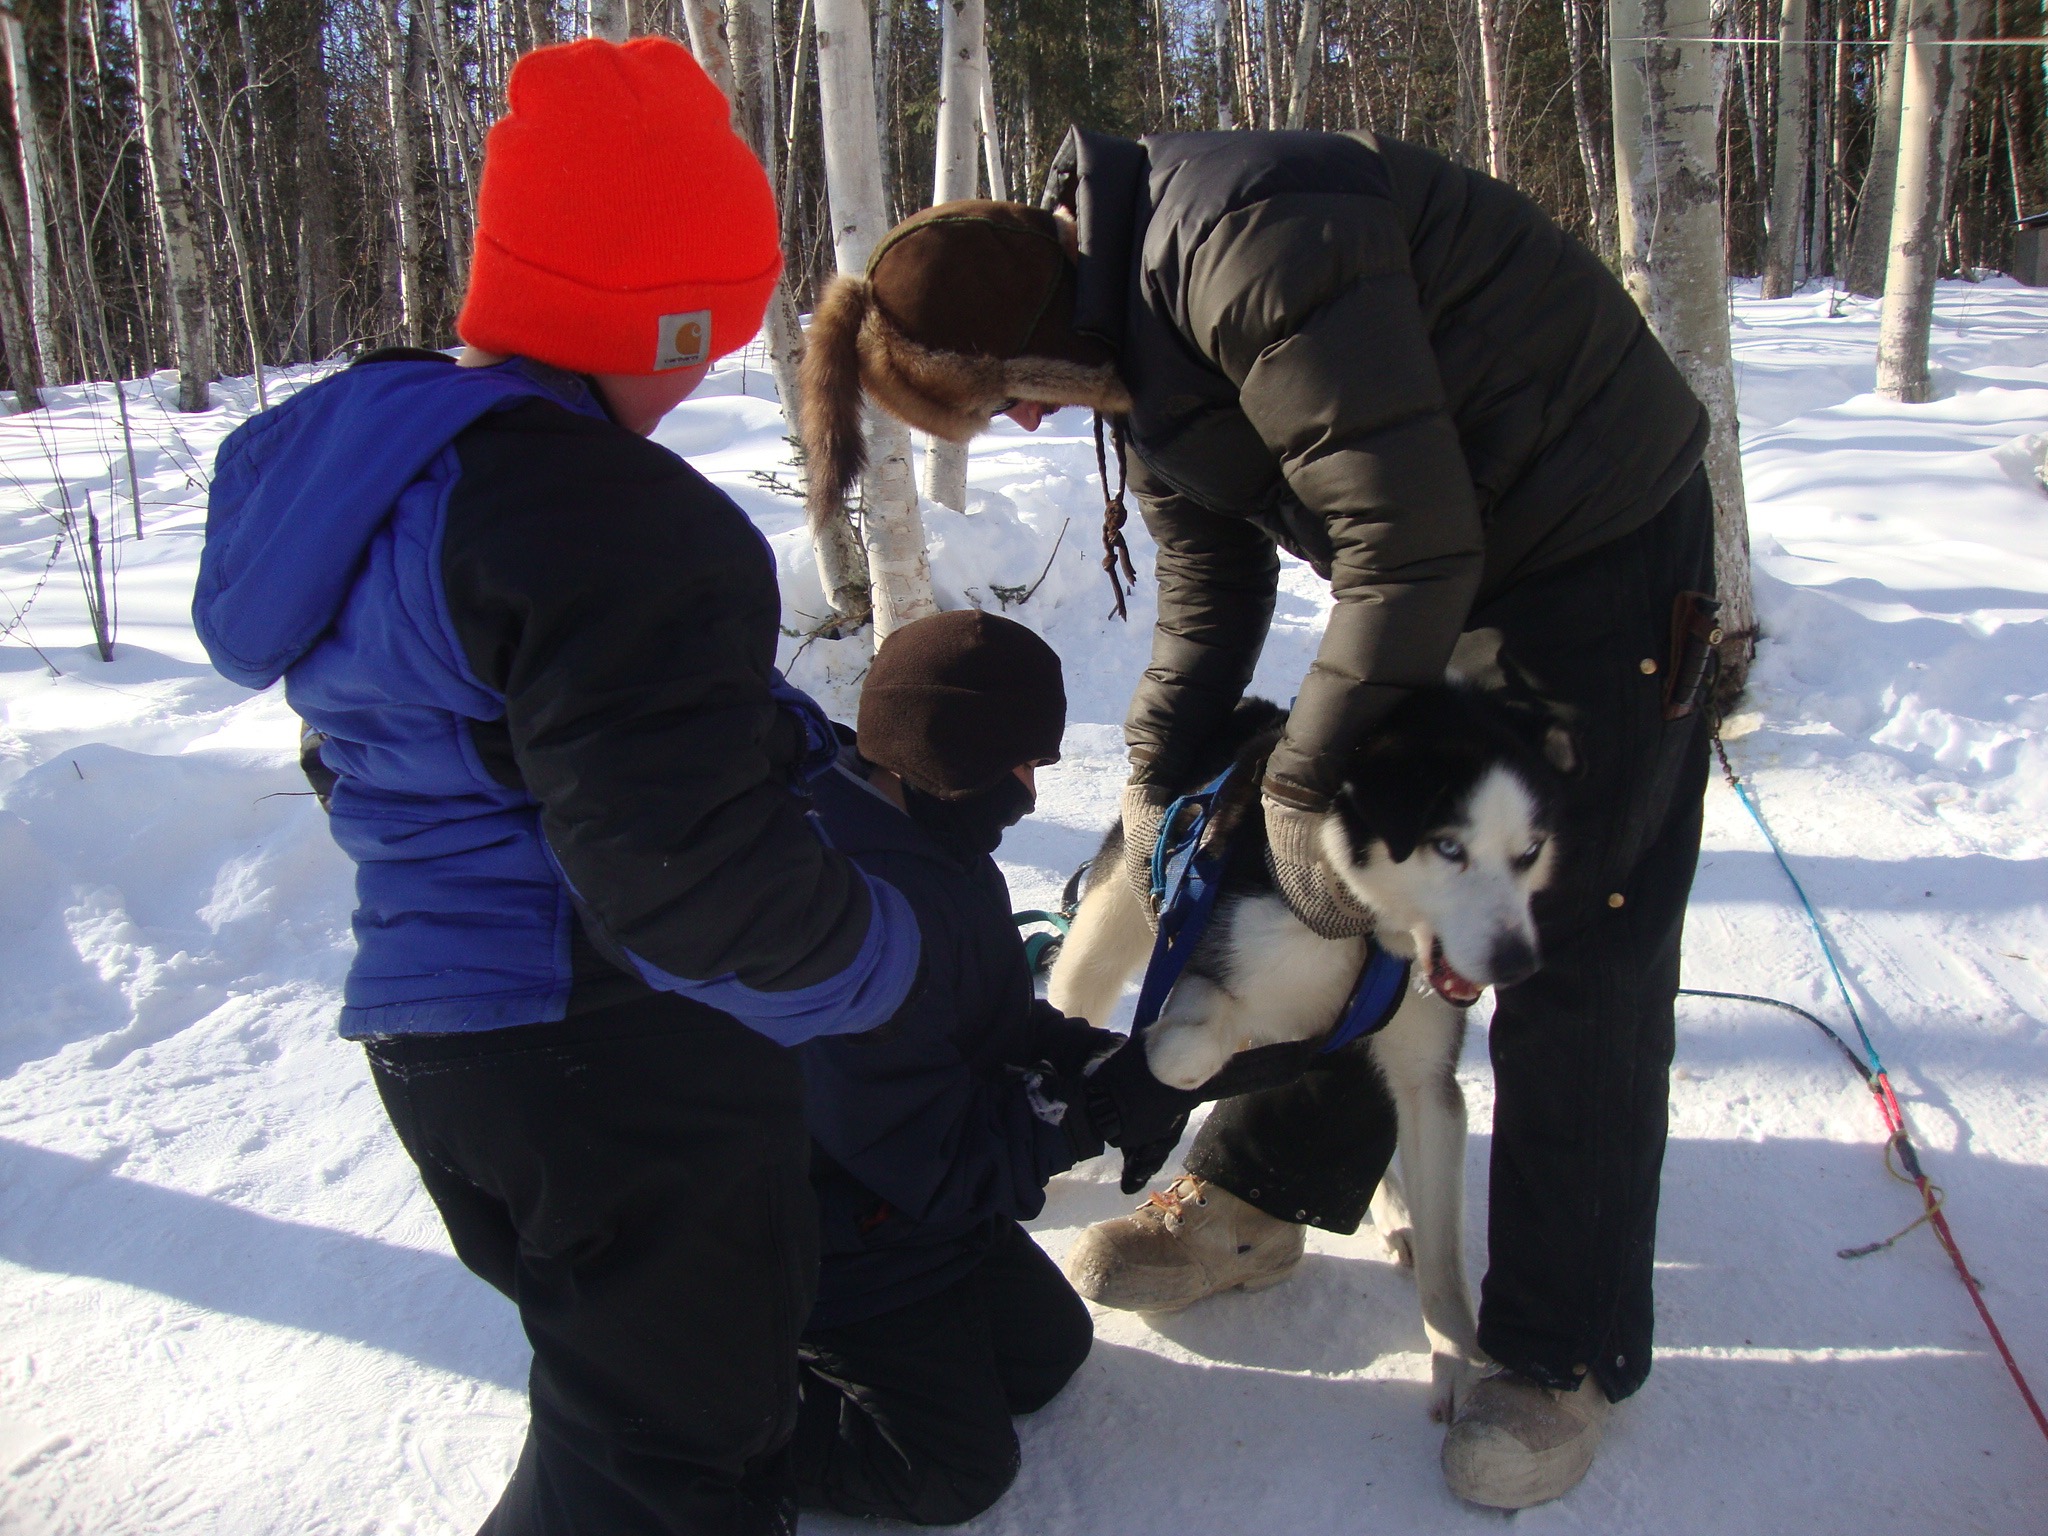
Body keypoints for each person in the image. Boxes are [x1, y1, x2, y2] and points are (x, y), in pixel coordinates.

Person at [798, 126, 1716, 1510]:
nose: (1039, 426)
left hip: (1594, 542)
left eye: (1012, 404)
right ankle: (1271, 1188)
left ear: (1029, 341)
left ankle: (1553, 1347)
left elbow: (1402, 542)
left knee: (1561, 934)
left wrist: (1295, 785)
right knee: (1358, 894)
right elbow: (1211, 584)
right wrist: (1159, 777)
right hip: (1457, 561)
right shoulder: (1118, 323)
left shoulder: (1251, 249)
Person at [192, 39, 920, 1536]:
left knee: (626, 1410)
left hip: (444, 1048)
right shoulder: (613, 514)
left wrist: (764, 733)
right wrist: (870, 953)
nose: (714, 363)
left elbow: (408, 739)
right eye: (708, 330)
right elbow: (682, 880)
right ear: (658, 309)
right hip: (606, 1056)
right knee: (678, 1455)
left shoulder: (393, 472)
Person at [793, 608, 1207, 1525]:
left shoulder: (931, 843)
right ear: (942, 752)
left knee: (1046, 1353)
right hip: (833, 1240)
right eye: (1017, 762)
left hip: (910, 1212)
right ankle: (715, 1419)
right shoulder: (844, 917)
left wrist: (1094, 1059)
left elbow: (977, 1022)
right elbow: (932, 1158)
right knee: (950, 1469)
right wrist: (1097, 1109)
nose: (1026, 792)